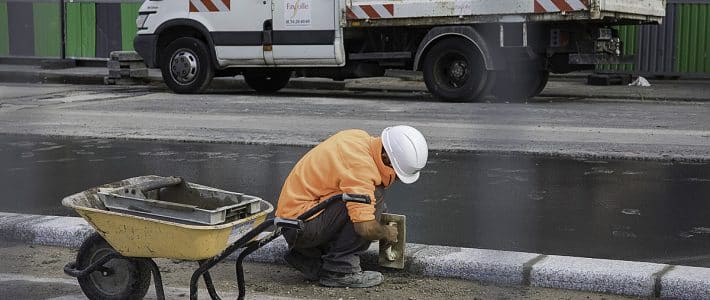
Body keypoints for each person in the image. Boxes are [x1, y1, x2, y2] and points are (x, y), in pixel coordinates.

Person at [275, 126, 428, 288]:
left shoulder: (358, 138)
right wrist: (385, 232)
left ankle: (309, 257)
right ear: (385, 157)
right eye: (397, 173)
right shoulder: (362, 170)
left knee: (369, 205)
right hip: (301, 227)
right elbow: (365, 228)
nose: (395, 179)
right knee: (372, 200)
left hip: (293, 222)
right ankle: (340, 270)